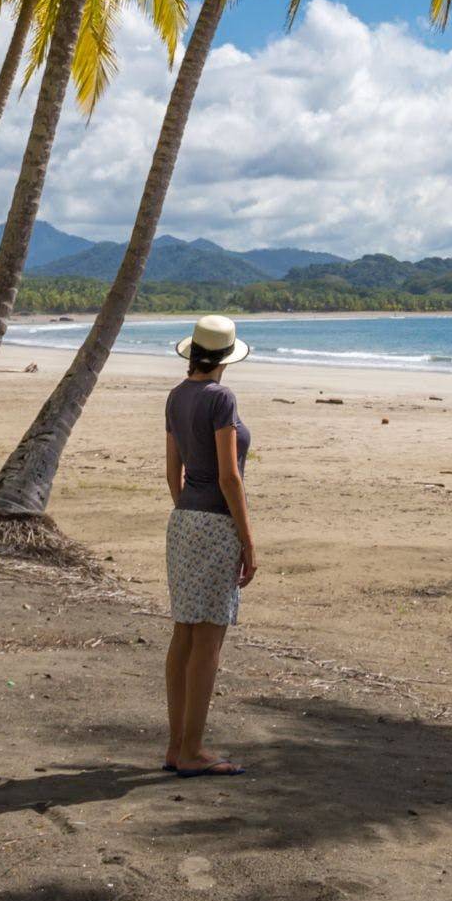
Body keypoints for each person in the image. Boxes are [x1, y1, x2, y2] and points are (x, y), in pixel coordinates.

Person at [162, 313, 256, 777]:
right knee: (209, 638)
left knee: (184, 632)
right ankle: (193, 750)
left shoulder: (176, 396)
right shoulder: (221, 398)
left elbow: (171, 473)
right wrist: (246, 538)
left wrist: (190, 512)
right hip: (215, 522)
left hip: (183, 521)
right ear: (226, 357)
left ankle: (176, 746)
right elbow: (228, 476)